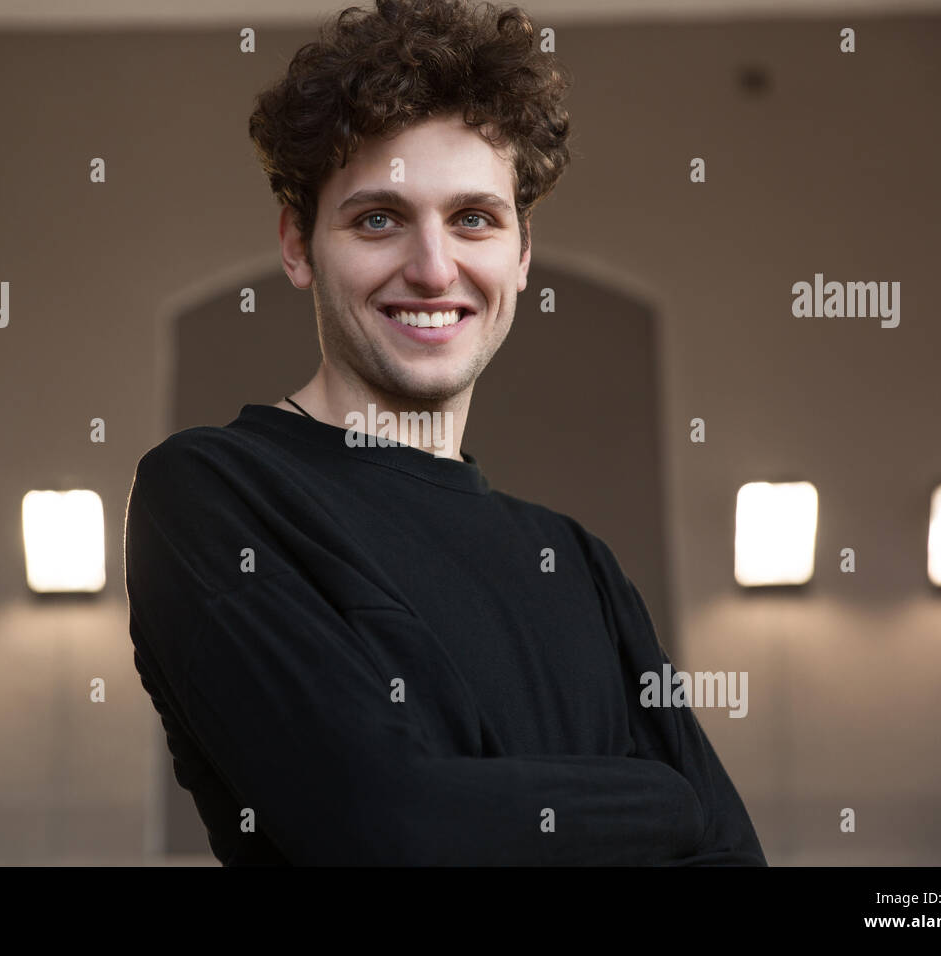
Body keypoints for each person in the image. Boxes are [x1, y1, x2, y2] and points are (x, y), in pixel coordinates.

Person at [124, 0, 766, 866]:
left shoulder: (578, 564)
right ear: (297, 243)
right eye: (378, 218)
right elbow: (387, 826)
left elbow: (736, 860)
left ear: (522, 253)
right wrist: (668, 801)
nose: (433, 269)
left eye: (474, 218)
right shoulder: (212, 495)